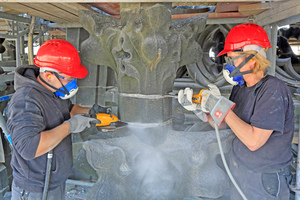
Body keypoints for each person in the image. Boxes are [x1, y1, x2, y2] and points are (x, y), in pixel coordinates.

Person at [178, 23, 294, 200]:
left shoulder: (273, 90)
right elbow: (226, 125)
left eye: (233, 60)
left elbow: (254, 141)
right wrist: (201, 111)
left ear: (253, 59)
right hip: (240, 173)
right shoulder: (240, 88)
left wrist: (221, 108)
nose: (228, 66)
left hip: (264, 181)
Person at [7, 39, 109, 200]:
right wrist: (70, 126)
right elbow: (29, 148)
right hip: (35, 189)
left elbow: (68, 110)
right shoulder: (26, 101)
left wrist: (92, 112)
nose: (73, 83)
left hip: (55, 182)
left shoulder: (53, 90)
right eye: (69, 79)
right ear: (48, 76)